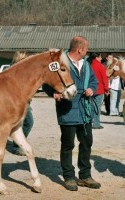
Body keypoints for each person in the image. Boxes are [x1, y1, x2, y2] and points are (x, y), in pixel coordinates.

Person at [43, 36, 100, 191]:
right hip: (67, 109)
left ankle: (85, 176)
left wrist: (92, 89)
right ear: (79, 49)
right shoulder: (60, 63)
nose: (87, 51)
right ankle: (69, 177)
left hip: (85, 111)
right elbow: (47, 81)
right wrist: (53, 93)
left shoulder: (87, 65)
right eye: (86, 49)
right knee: (68, 145)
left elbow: (94, 81)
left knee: (87, 143)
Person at [11, 51, 34, 156]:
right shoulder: (14, 72)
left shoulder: (25, 71)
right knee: (27, 123)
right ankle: (17, 146)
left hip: (25, 101)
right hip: (18, 102)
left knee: (26, 123)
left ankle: (18, 144)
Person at [88, 52, 109, 129]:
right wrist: (106, 89)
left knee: (90, 107)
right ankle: (96, 124)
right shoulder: (101, 66)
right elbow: (104, 79)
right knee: (97, 107)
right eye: (100, 57)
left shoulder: (88, 65)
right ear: (96, 57)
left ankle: (88, 123)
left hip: (89, 89)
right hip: (99, 90)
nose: (101, 58)